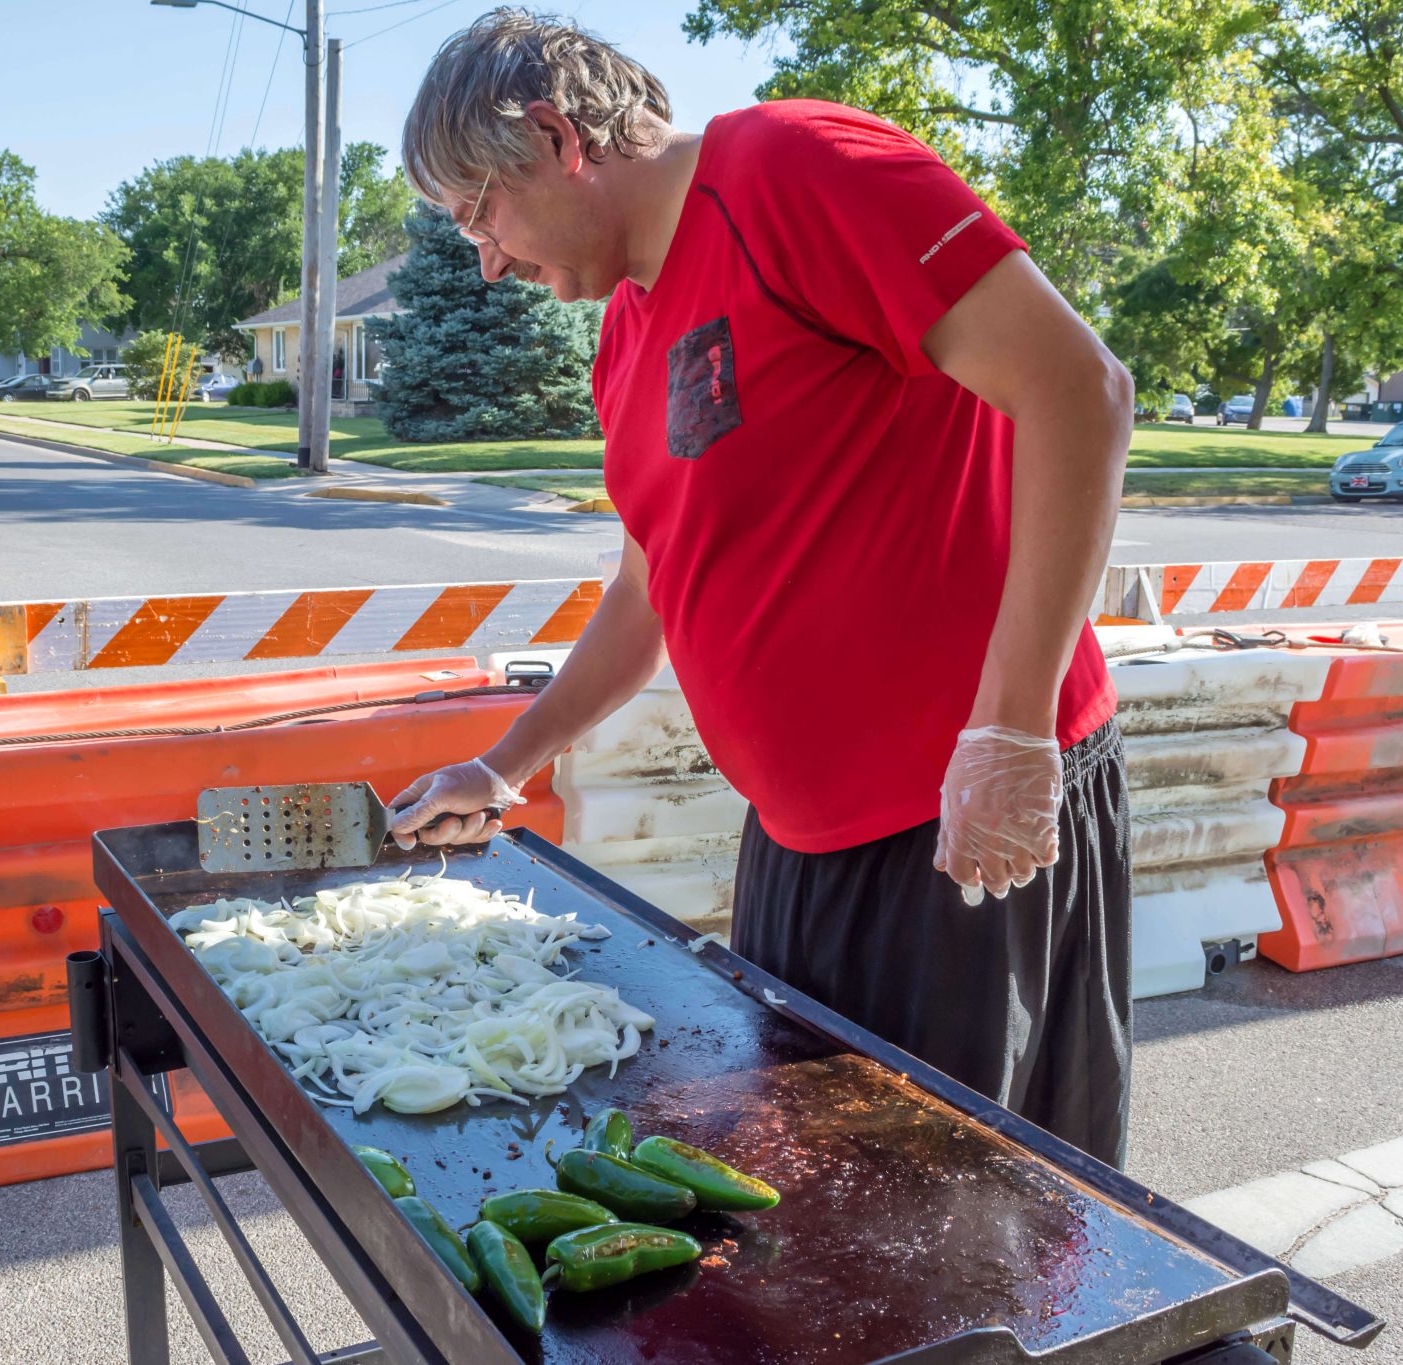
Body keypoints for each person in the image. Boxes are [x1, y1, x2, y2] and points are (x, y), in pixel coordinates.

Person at [385, 10, 1135, 1167]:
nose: (486, 259)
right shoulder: (624, 335)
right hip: (794, 843)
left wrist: (1009, 730)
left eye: (479, 213)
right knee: (822, 1205)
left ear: (554, 138)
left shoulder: (791, 168)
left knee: (980, 1217)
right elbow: (650, 592)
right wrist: (503, 765)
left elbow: (1079, 389)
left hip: (959, 814)